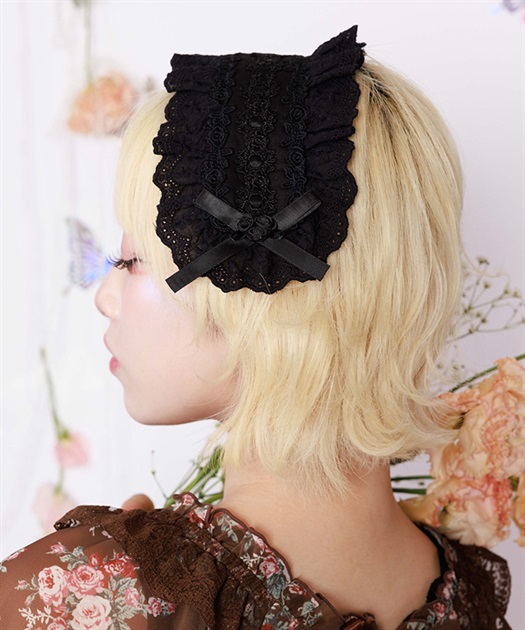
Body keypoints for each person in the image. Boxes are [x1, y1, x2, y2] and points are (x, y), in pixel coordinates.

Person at [0, 27, 511, 630]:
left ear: (254, 294)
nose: (105, 298)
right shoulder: (471, 597)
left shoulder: (81, 595)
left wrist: (94, 590)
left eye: (131, 261)